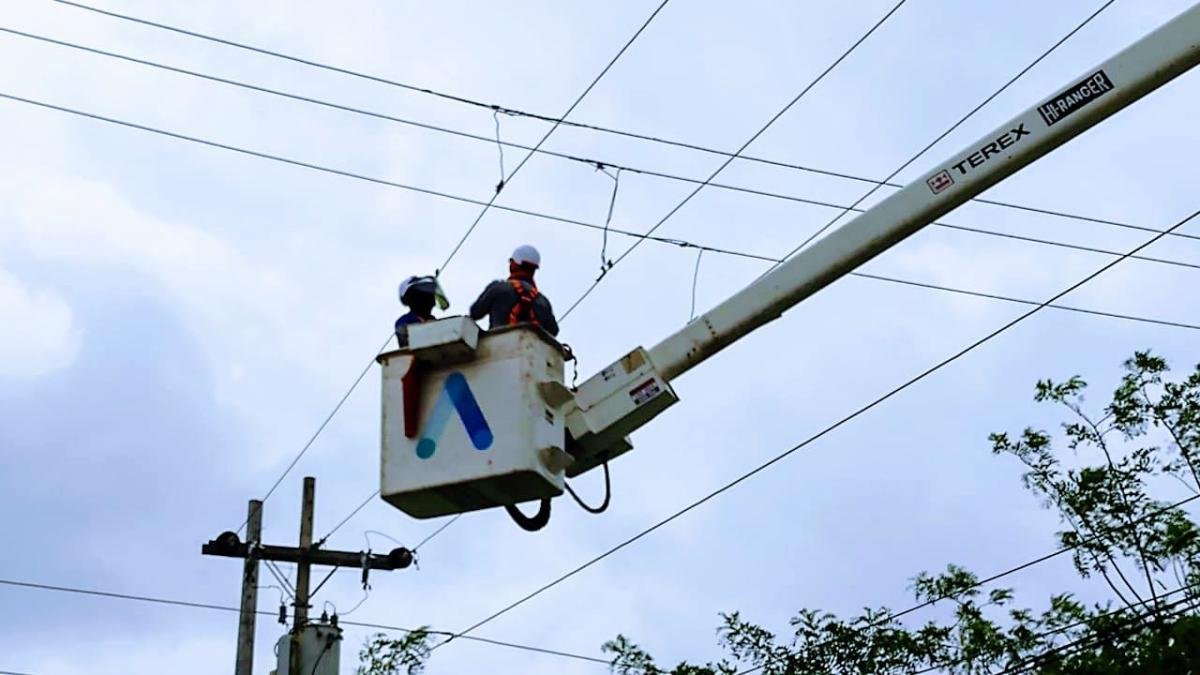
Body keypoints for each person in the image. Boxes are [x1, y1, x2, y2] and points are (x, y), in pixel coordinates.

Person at [469, 245, 559, 337]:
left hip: (497, 347)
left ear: (514, 264)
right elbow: (553, 331)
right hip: (530, 350)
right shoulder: (543, 302)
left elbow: (475, 312)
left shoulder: (499, 288)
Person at [395, 275, 448, 347]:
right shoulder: (405, 320)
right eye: (424, 296)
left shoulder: (433, 320)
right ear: (411, 299)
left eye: (431, 296)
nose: (431, 301)